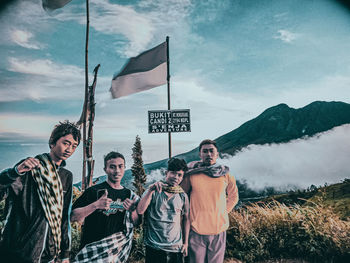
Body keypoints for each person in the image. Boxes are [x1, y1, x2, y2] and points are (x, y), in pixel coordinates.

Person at [0, 120, 81, 263]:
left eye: (74, 146)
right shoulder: (30, 167)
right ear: (52, 143)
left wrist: (65, 254)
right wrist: (15, 172)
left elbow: (64, 217)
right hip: (19, 252)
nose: (69, 149)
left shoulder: (66, 177)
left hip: (49, 254)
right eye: (66, 143)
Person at [71, 151, 139, 263]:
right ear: (105, 169)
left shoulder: (130, 195)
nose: (117, 171)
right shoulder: (93, 191)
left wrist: (132, 211)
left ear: (124, 168)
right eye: (112, 167)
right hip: (91, 251)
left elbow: (136, 223)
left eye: (120, 166)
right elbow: (73, 216)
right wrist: (95, 205)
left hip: (116, 253)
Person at [180, 139, 239, 263]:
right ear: (200, 155)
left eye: (211, 151)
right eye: (205, 151)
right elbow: (182, 195)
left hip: (219, 230)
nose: (209, 154)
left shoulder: (225, 174)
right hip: (196, 230)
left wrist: (223, 212)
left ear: (217, 154)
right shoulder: (191, 173)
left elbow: (234, 196)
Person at [137, 158, 190, 263]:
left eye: (179, 175)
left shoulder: (182, 195)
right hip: (154, 246)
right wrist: (150, 191)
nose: (176, 177)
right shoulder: (154, 191)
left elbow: (186, 218)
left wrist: (186, 243)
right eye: (173, 173)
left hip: (176, 247)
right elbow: (140, 210)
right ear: (166, 173)